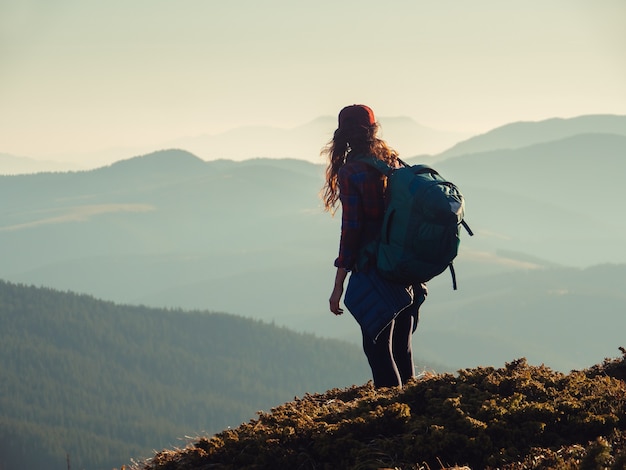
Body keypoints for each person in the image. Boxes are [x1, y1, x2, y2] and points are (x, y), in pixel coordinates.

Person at [321, 104, 426, 388]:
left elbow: (351, 230)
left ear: (342, 135)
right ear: (373, 129)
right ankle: (413, 412)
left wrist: (338, 285)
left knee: (378, 348)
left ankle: (392, 419)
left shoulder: (352, 171)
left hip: (376, 267)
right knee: (402, 347)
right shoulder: (392, 162)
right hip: (407, 265)